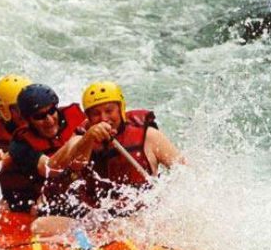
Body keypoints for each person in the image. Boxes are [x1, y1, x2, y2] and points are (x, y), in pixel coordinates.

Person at [34, 81, 187, 233]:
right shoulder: (81, 139)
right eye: (96, 113)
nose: (104, 118)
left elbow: (185, 173)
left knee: (126, 226)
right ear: (88, 117)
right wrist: (89, 138)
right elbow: (76, 164)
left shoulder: (149, 136)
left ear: (121, 109)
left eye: (109, 110)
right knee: (39, 225)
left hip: (141, 217)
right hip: (99, 219)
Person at [0, 84, 87, 213]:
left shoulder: (77, 118)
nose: (49, 120)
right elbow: (50, 169)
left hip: (65, 191)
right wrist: (75, 141)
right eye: (39, 116)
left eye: (52, 111)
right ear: (28, 120)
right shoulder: (20, 144)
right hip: (27, 201)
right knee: (38, 209)